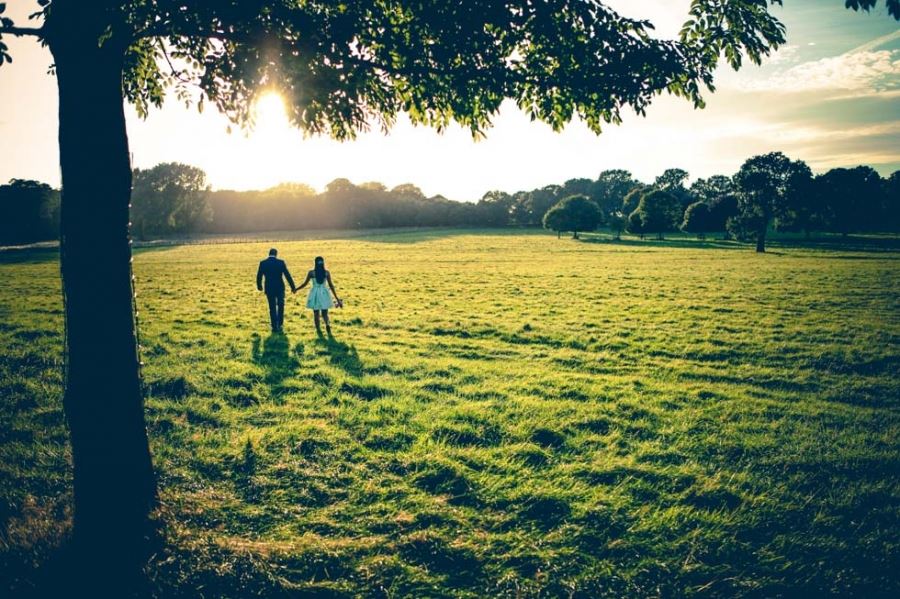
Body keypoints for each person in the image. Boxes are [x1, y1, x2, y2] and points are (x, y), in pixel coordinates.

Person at [295, 256, 341, 336]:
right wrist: (336, 298)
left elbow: (305, 284)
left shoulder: (311, 273)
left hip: (315, 293)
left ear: (315, 263)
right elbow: (331, 285)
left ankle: (318, 330)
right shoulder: (326, 273)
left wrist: (296, 289)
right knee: (325, 313)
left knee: (316, 313)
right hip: (324, 293)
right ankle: (327, 325)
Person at [256, 248, 296, 333]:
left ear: (269, 253)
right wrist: (293, 287)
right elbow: (287, 275)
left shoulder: (263, 263)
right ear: (276, 254)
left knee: (272, 306)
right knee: (281, 305)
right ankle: (280, 323)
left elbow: (259, 276)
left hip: (269, 287)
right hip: (279, 287)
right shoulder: (280, 262)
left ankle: (274, 326)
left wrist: (259, 286)